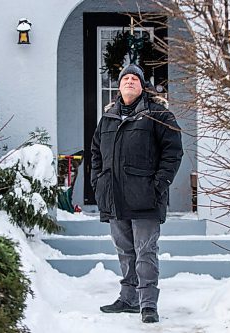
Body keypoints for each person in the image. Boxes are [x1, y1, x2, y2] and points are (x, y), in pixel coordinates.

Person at [90, 64, 183, 323]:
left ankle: (148, 304)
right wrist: (98, 184)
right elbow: (96, 154)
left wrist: (158, 185)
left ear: (143, 86)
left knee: (145, 251)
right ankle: (128, 298)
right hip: (114, 196)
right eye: (125, 78)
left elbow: (173, 153)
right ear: (119, 86)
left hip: (145, 198)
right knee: (124, 250)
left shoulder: (159, 115)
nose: (129, 81)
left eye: (135, 78)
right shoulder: (108, 118)